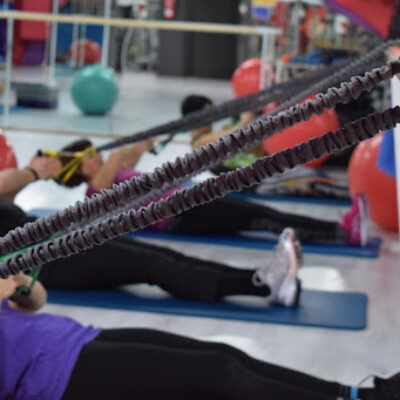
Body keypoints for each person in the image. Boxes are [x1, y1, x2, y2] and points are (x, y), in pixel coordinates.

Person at [0, 273, 398, 400]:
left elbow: (35, 302)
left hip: (74, 338)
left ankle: (359, 394)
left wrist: (17, 283)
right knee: (218, 374)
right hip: (53, 378)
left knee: (225, 355)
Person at [0, 156, 301, 307]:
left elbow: (8, 200)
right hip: (42, 265)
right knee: (153, 265)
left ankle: (263, 282)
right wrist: (33, 173)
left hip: (50, 243)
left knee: (158, 256)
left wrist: (28, 175)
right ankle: (262, 286)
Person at [56, 138, 368, 247]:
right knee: (261, 219)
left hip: (187, 202)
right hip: (178, 216)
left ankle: (340, 230)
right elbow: (108, 177)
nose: (98, 154)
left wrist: (139, 146)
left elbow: (127, 160)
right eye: (90, 154)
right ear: (82, 165)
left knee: (260, 216)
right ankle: (342, 234)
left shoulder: (112, 172)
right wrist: (113, 153)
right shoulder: (92, 194)